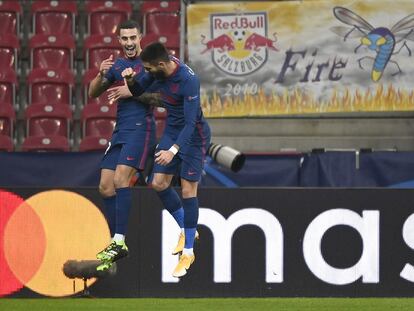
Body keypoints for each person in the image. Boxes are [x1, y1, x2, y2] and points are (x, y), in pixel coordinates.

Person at [120, 42, 211, 278]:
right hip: (172, 130)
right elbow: (139, 91)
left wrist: (173, 150)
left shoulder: (188, 80)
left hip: (193, 136)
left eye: (149, 69)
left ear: (161, 64)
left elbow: (191, 124)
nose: (147, 72)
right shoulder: (157, 72)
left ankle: (188, 252)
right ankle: (185, 227)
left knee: (189, 190)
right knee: (158, 183)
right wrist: (130, 80)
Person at [88, 20, 156, 271]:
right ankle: (116, 241)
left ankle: (119, 241)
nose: (129, 42)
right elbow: (93, 93)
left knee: (120, 179)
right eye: (124, 38)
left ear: (141, 37)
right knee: (105, 187)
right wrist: (100, 74)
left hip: (141, 129)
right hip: (120, 132)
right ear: (119, 40)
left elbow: (161, 99)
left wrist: (132, 91)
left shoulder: (150, 64)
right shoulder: (117, 65)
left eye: (132, 38)